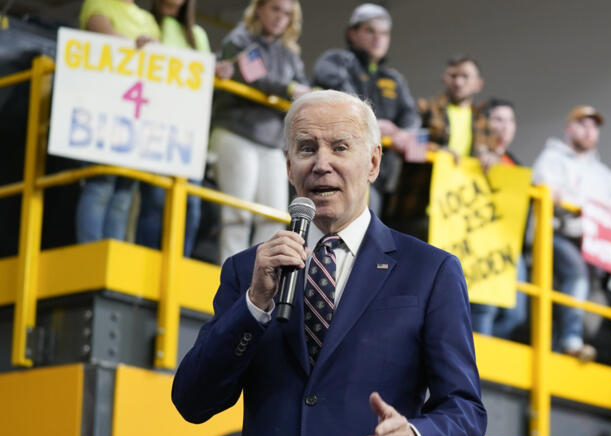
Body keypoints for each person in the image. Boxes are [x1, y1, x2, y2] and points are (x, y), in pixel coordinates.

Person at [171, 91, 487, 436]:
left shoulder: (430, 271)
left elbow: (465, 409)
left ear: (373, 162)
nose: (322, 164)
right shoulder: (246, 271)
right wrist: (254, 304)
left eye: (340, 147)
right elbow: (193, 400)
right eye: (306, 148)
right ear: (288, 165)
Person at [532, 105, 611, 361]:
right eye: (582, 124)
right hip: (560, 238)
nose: (589, 130)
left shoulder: (606, 176)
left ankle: (564, 346)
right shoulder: (552, 159)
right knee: (577, 276)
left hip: (595, 252)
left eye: (593, 126)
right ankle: (570, 340)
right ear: (569, 128)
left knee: (596, 306)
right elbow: (545, 188)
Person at [211, 0, 312, 263]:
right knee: (238, 214)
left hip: (272, 141)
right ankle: (232, 281)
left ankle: (260, 283)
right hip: (236, 131)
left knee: (273, 216)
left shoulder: (289, 53)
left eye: (287, 13)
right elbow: (254, 76)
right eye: (275, 9)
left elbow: (304, 86)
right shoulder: (240, 38)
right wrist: (289, 89)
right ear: (259, 9)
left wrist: (295, 89)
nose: (281, 18)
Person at [312, 3, 420, 215]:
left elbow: (411, 116)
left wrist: (403, 133)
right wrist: (372, 123)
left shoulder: (393, 79)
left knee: (363, 238)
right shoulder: (335, 60)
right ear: (352, 33)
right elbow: (341, 94)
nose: (378, 38)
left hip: (375, 177)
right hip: (330, 168)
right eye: (370, 30)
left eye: (384, 33)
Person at [75, 0, 161, 245]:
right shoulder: (97, 4)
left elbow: (161, 59)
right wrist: (140, 45)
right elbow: (105, 38)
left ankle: (109, 267)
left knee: (124, 195)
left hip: (135, 122)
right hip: (102, 113)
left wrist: (154, 48)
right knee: (100, 186)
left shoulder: (148, 19)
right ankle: (89, 257)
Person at [135, 0, 217, 257]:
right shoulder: (146, 23)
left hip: (187, 131)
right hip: (153, 126)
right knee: (155, 200)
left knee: (191, 204)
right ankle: (145, 259)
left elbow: (204, 81)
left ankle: (178, 262)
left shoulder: (198, 35)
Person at [470, 99, 529, 339]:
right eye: (498, 119)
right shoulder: (471, 154)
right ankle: (475, 361)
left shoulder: (515, 165)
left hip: (510, 243)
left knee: (516, 314)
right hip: (480, 238)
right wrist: (480, 156)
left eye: (510, 121)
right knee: (485, 307)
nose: (505, 126)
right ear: (485, 124)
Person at [418, 55, 486, 159]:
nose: (458, 82)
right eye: (453, 76)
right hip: (428, 173)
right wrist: (436, 151)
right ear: (443, 79)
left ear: (478, 84)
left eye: (465, 76)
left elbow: (492, 150)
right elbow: (410, 143)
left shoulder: (481, 120)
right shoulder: (426, 109)